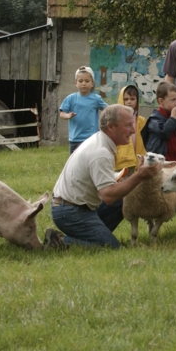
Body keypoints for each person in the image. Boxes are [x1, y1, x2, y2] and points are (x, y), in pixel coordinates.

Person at [47, 104, 162, 249]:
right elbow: (108, 196)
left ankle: (94, 235)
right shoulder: (101, 152)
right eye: (127, 125)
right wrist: (139, 176)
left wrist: (120, 178)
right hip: (70, 212)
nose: (133, 130)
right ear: (111, 127)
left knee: (123, 200)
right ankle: (61, 241)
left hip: (77, 206)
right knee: (111, 248)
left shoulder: (100, 141)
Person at [142, 82, 176, 165]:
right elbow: (165, 133)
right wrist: (173, 118)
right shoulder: (154, 118)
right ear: (161, 101)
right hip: (162, 163)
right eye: (173, 100)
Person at [59, 66, 108, 154]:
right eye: (80, 81)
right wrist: (68, 115)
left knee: (91, 161)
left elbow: (108, 110)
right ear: (75, 83)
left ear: (92, 83)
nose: (83, 83)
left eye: (87, 81)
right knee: (75, 164)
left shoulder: (96, 99)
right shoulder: (71, 98)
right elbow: (62, 113)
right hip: (75, 139)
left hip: (92, 138)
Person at [114, 85, 146, 174]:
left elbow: (144, 142)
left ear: (137, 100)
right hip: (121, 162)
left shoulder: (141, 121)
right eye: (126, 99)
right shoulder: (116, 120)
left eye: (132, 99)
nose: (129, 102)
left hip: (137, 161)